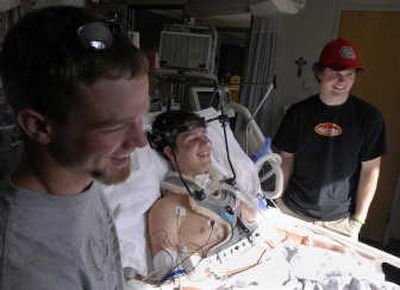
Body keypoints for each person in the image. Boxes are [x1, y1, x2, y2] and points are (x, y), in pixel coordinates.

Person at [0, 6, 149, 290]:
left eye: (140, 114)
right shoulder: (28, 270)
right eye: (114, 126)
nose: (140, 140)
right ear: (39, 127)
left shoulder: (79, 180)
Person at [272, 38, 387, 239]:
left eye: (349, 74)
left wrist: (358, 221)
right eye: (334, 73)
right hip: (292, 212)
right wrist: (278, 199)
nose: (342, 81)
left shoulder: (369, 118)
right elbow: (287, 158)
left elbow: (371, 171)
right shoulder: (298, 113)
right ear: (319, 73)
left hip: (338, 223)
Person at [146, 110, 259, 282]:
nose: (206, 144)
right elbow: (170, 278)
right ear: (170, 153)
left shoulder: (228, 189)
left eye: (204, 136)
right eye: (192, 139)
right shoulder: (167, 208)